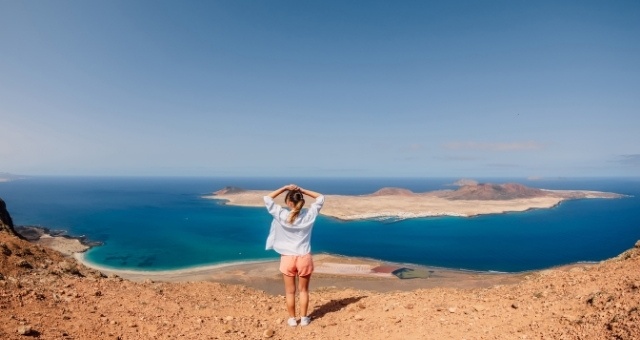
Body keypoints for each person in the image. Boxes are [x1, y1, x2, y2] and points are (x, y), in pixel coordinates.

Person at [264, 184, 324, 327]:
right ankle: (304, 319)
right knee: (303, 290)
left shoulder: (281, 214)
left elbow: (267, 198)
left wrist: (284, 188)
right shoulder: (309, 215)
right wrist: (302, 190)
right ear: (301, 202)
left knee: (290, 292)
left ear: (288, 203)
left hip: (287, 258)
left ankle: (292, 319)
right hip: (304, 257)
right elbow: (321, 198)